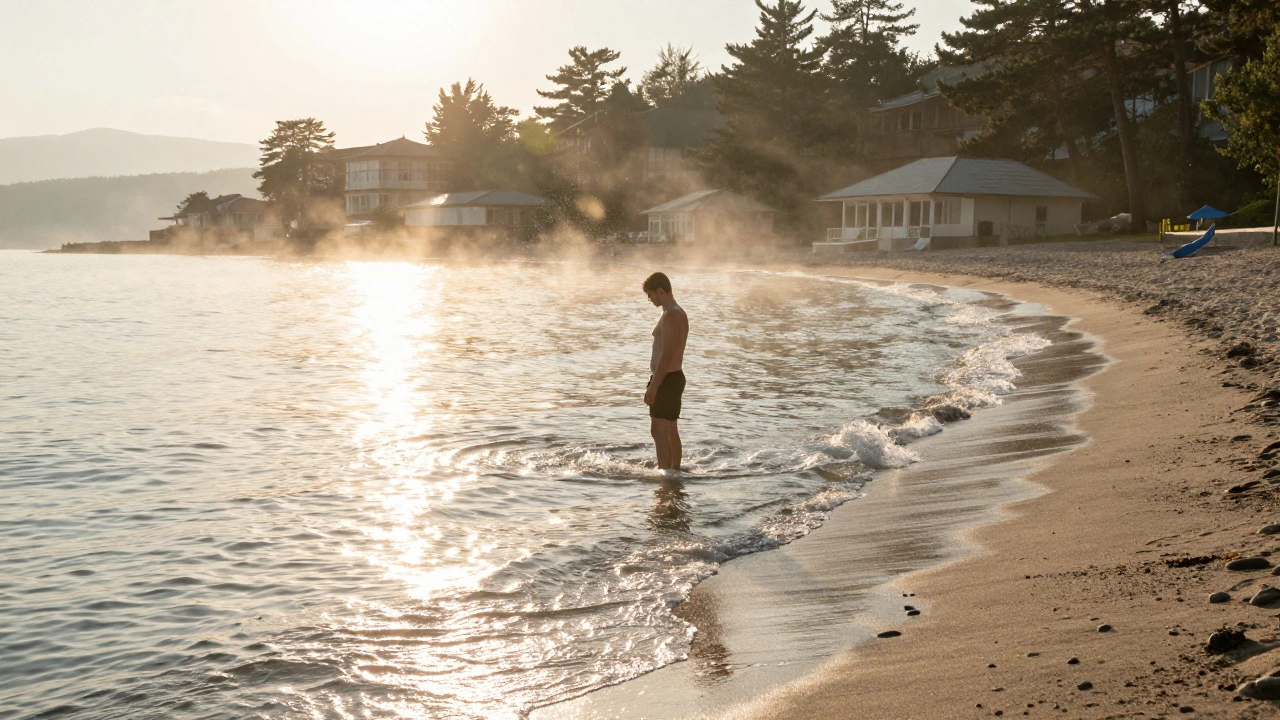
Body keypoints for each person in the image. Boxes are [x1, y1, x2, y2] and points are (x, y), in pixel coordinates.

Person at [642, 272, 688, 472]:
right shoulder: (677, 312)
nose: (649, 299)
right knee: (669, 429)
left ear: (661, 291)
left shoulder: (670, 315)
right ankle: (673, 472)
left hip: (667, 379)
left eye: (651, 294)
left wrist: (653, 387)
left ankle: (665, 474)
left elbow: (667, 354)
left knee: (658, 430)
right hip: (673, 378)